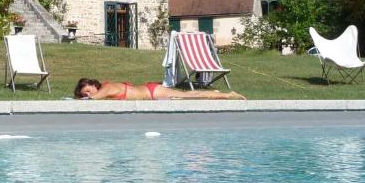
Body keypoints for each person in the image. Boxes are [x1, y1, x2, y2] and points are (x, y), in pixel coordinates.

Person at [74, 78, 245, 100]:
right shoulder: (106, 89)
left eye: (88, 90)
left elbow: (92, 100)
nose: (88, 94)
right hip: (150, 92)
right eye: (85, 93)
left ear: (94, 85)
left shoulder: (107, 88)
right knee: (186, 96)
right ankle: (217, 94)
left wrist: (76, 100)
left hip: (152, 91)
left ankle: (228, 94)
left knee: (188, 95)